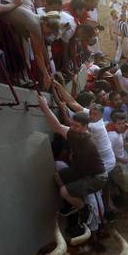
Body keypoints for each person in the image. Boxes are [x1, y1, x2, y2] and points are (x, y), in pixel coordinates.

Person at [37, 95, 106, 224]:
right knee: (58, 176)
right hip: (83, 171)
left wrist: (44, 106)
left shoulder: (82, 138)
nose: (73, 128)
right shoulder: (80, 133)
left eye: (77, 126)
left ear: (85, 127)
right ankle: (73, 201)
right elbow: (61, 126)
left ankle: (84, 208)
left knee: (64, 191)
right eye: (73, 125)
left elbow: (56, 127)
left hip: (96, 177)